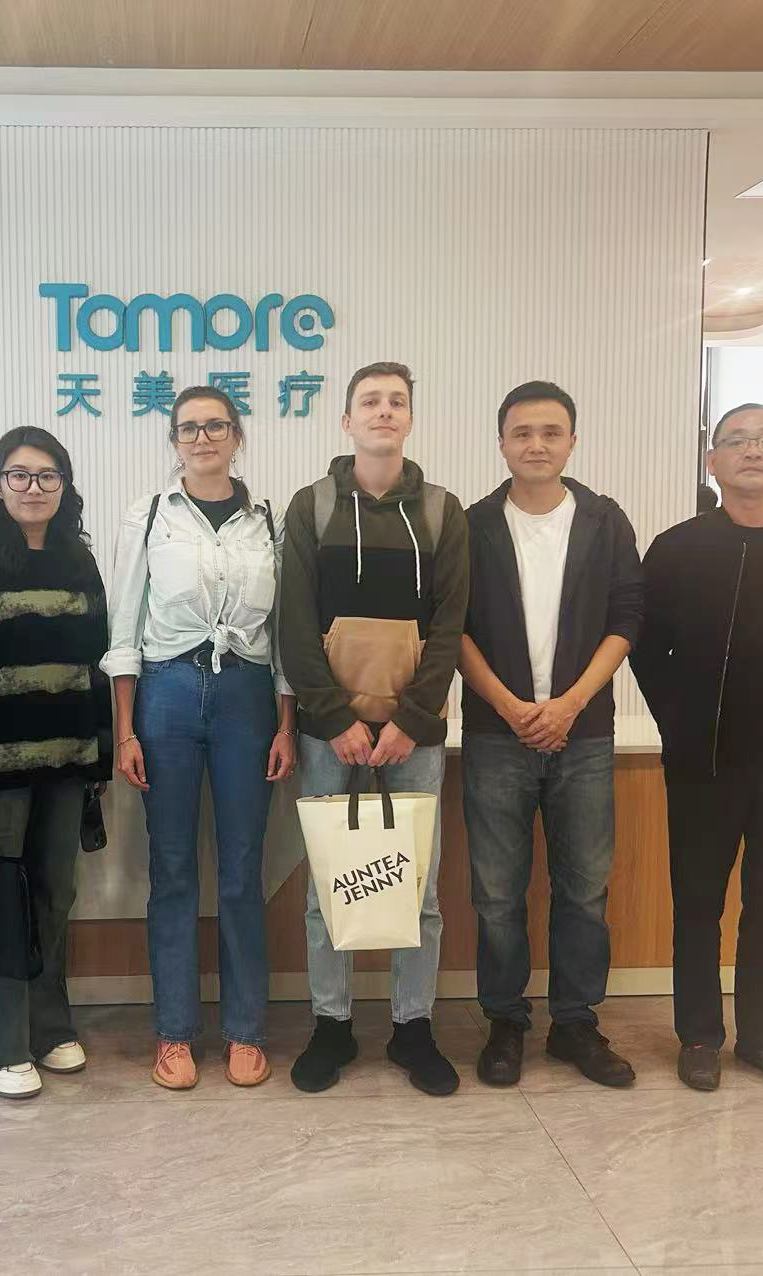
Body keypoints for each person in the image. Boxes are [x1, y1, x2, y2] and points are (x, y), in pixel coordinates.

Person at [280, 361, 469, 1095]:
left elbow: (451, 626)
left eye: (396, 402)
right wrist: (333, 720)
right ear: (347, 420)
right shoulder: (313, 505)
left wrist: (413, 720)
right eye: (370, 401)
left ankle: (412, 1026)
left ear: (410, 419)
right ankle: (330, 1024)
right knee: (328, 884)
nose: (383, 411)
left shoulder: (443, 511)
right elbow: (295, 623)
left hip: (414, 734)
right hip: (330, 734)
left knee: (418, 887)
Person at [104, 386, 296, 1090]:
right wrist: (125, 731)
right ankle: (175, 1033)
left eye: (216, 426)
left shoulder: (268, 520)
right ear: (174, 441)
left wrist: (286, 723)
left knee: (244, 869)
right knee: (174, 868)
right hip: (168, 695)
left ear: (237, 435)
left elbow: (283, 635)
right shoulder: (150, 515)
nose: (203, 438)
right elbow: (124, 629)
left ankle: (245, 1031)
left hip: (248, 696)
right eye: (189, 428)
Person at [632, 402, 763, 1094]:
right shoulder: (677, 548)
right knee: (697, 907)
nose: (752, 450)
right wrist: (678, 724)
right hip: (702, 765)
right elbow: (643, 648)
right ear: (712, 461)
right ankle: (699, 1037)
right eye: (737, 440)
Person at [459, 381, 643, 1088]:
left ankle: (575, 1024)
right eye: (522, 432)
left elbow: (627, 618)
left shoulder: (604, 520)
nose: (536, 444)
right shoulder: (472, 524)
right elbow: (453, 630)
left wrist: (569, 704)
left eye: (550, 432)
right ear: (501, 443)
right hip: (494, 733)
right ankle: (505, 1021)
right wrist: (511, 706)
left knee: (585, 889)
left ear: (572, 441)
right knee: (497, 893)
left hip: (584, 733)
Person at [0, 427, 111, 1099]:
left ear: (65, 487)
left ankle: (48, 1025)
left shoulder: (80, 564)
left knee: (54, 896)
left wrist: (99, 761)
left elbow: (97, 669)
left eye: (47, 476)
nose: (34, 488)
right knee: (0, 903)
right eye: (19, 475)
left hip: (66, 767)